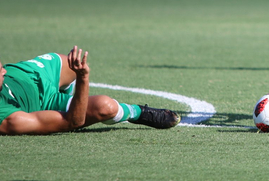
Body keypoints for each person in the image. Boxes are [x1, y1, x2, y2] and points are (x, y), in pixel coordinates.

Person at [0, 46, 180, 135]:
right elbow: (72, 121)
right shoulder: (9, 119)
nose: (4, 70)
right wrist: (83, 78)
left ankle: (68, 98)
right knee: (106, 107)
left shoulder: (8, 73)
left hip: (31, 75)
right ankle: (137, 112)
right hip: (44, 104)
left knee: (67, 63)